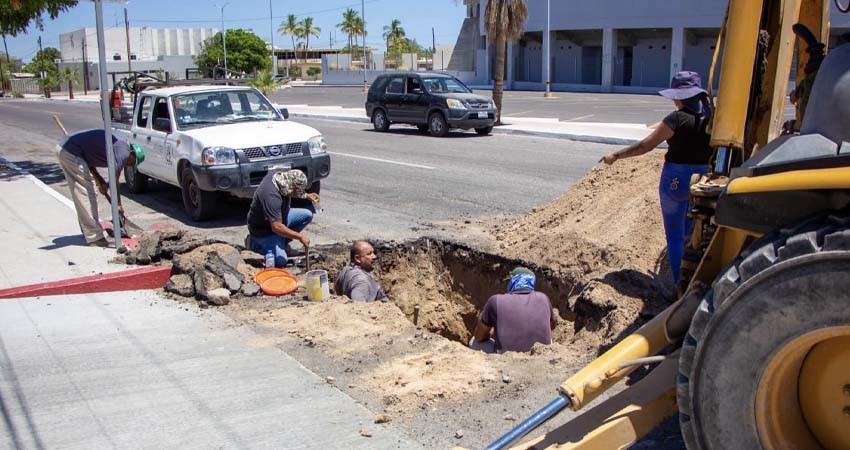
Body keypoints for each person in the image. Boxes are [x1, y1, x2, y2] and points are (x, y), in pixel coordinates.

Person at [599, 71, 713, 291]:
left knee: (675, 235)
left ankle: (681, 283)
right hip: (704, 179)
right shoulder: (712, 118)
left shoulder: (676, 119)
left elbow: (645, 146)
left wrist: (616, 155)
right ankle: (700, 280)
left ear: (680, 96)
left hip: (676, 180)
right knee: (694, 232)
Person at [55, 129, 144, 247]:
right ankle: (94, 237)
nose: (130, 165)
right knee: (85, 193)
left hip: (72, 151)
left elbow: (89, 161)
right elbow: (114, 177)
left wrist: (100, 180)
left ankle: (88, 228)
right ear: (132, 152)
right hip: (70, 151)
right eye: (133, 162)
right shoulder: (124, 151)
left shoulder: (117, 151)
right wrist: (118, 204)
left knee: (87, 193)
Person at [469, 267, 554, 354]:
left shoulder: (495, 300)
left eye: (509, 281)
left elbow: (479, 337)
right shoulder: (544, 298)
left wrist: (492, 332)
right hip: (541, 354)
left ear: (514, 281)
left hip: (507, 357)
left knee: (474, 342)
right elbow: (548, 326)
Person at [246, 170, 319, 267]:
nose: (296, 194)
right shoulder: (271, 197)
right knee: (281, 260)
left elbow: (293, 190)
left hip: (280, 217)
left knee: (307, 215)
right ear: (288, 188)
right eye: (295, 192)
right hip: (264, 231)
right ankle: (253, 243)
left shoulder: (281, 178)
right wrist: (299, 237)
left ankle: (282, 244)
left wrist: (306, 196)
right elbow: (276, 227)